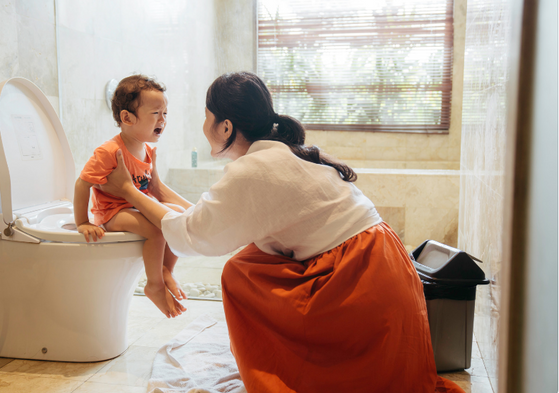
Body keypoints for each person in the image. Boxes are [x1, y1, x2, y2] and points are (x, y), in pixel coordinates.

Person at [98, 72, 465, 393]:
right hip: (383, 268)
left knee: (239, 271)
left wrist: (129, 191)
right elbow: (203, 219)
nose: (203, 125)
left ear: (225, 127)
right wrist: (156, 191)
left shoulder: (254, 170)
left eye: (206, 117)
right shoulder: (282, 155)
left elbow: (194, 234)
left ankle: (290, 366)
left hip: (360, 283)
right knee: (250, 259)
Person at [73, 74, 187, 319]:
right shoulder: (110, 151)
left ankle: (166, 269)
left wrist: (192, 211)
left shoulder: (148, 150)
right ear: (127, 118)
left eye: (165, 113)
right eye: (156, 113)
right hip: (113, 213)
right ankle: (154, 284)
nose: (163, 120)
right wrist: (82, 222)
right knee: (156, 231)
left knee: (176, 218)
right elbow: (82, 185)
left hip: (137, 207)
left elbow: (154, 189)